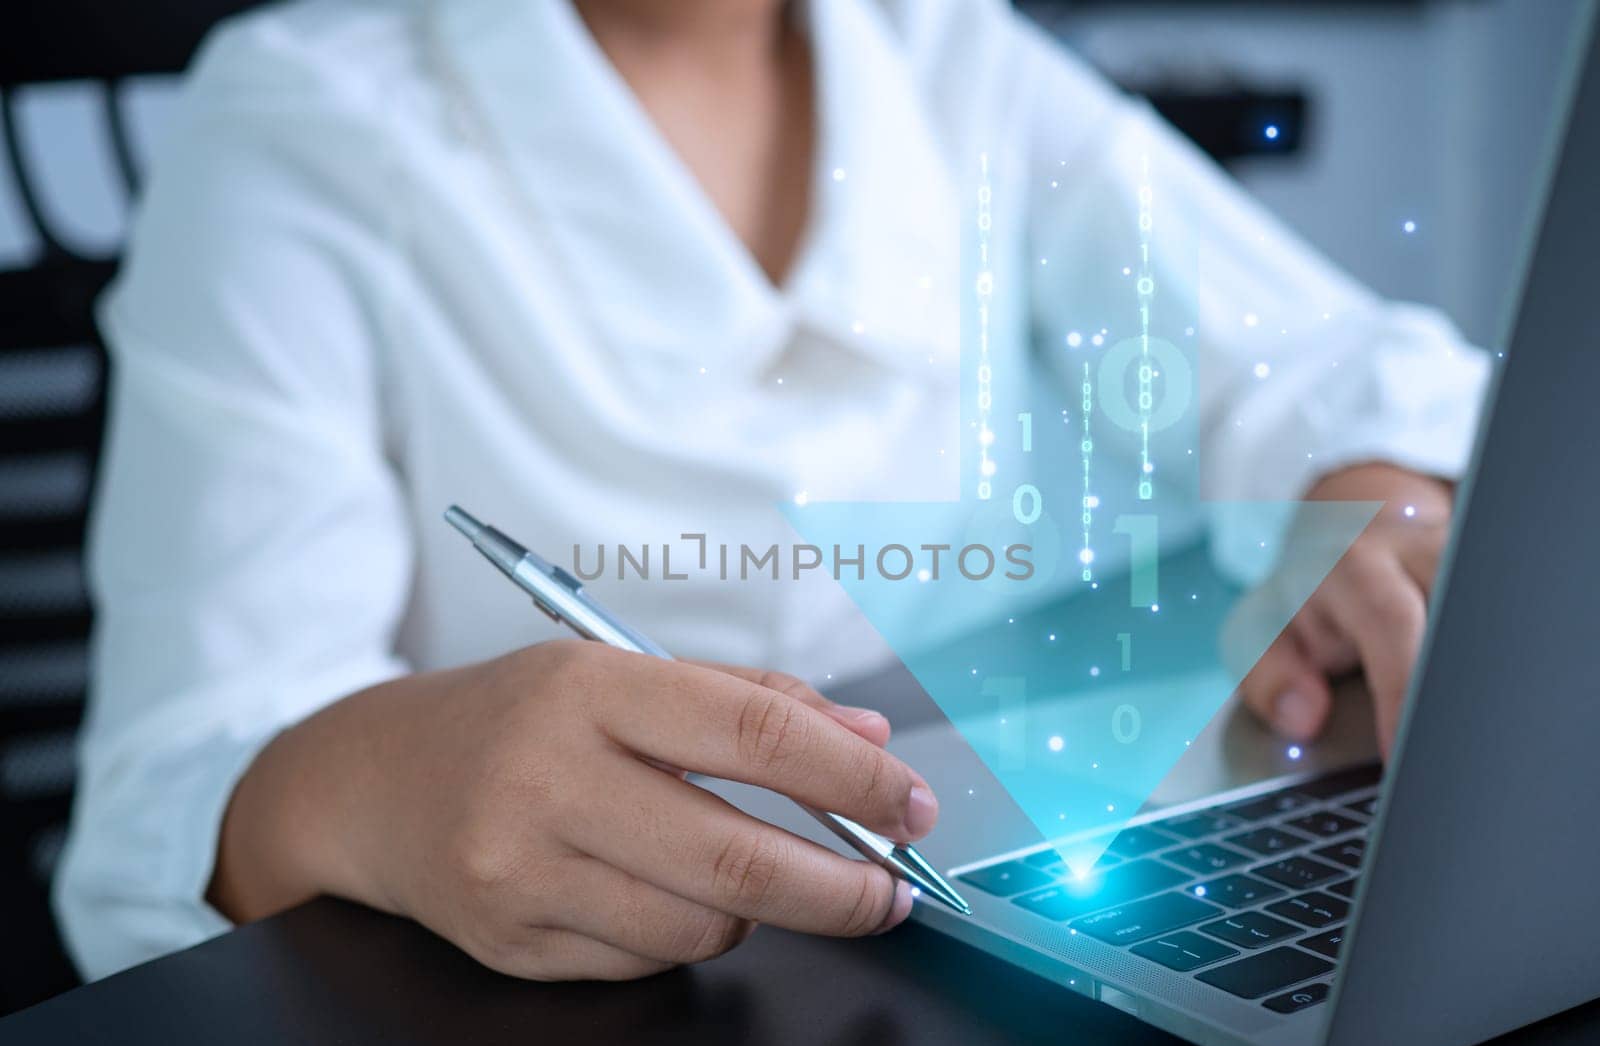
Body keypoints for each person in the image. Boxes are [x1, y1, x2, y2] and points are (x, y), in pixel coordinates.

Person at [55, 0, 1486, 982]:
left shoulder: (941, 48)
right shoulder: (298, 116)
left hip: (976, 931)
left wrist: (1365, 487)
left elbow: (1322, 361)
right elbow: (162, 801)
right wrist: (391, 784)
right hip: (562, 1021)